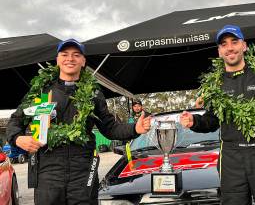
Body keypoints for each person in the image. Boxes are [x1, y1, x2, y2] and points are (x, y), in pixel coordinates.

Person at [6, 39, 151, 205]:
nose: (70, 58)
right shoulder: (42, 90)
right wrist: (18, 139)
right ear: (58, 60)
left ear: (83, 62)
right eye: (65, 54)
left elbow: (110, 128)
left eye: (76, 55)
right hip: (48, 171)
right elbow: (15, 121)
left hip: (83, 170)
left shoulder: (94, 93)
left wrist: (135, 129)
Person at [180, 25, 255, 205]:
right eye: (224, 44)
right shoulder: (215, 84)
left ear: (244, 46)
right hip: (230, 158)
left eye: (234, 42)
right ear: (219, 51)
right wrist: (194, 121)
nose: (230, 48)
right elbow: (211, 120)